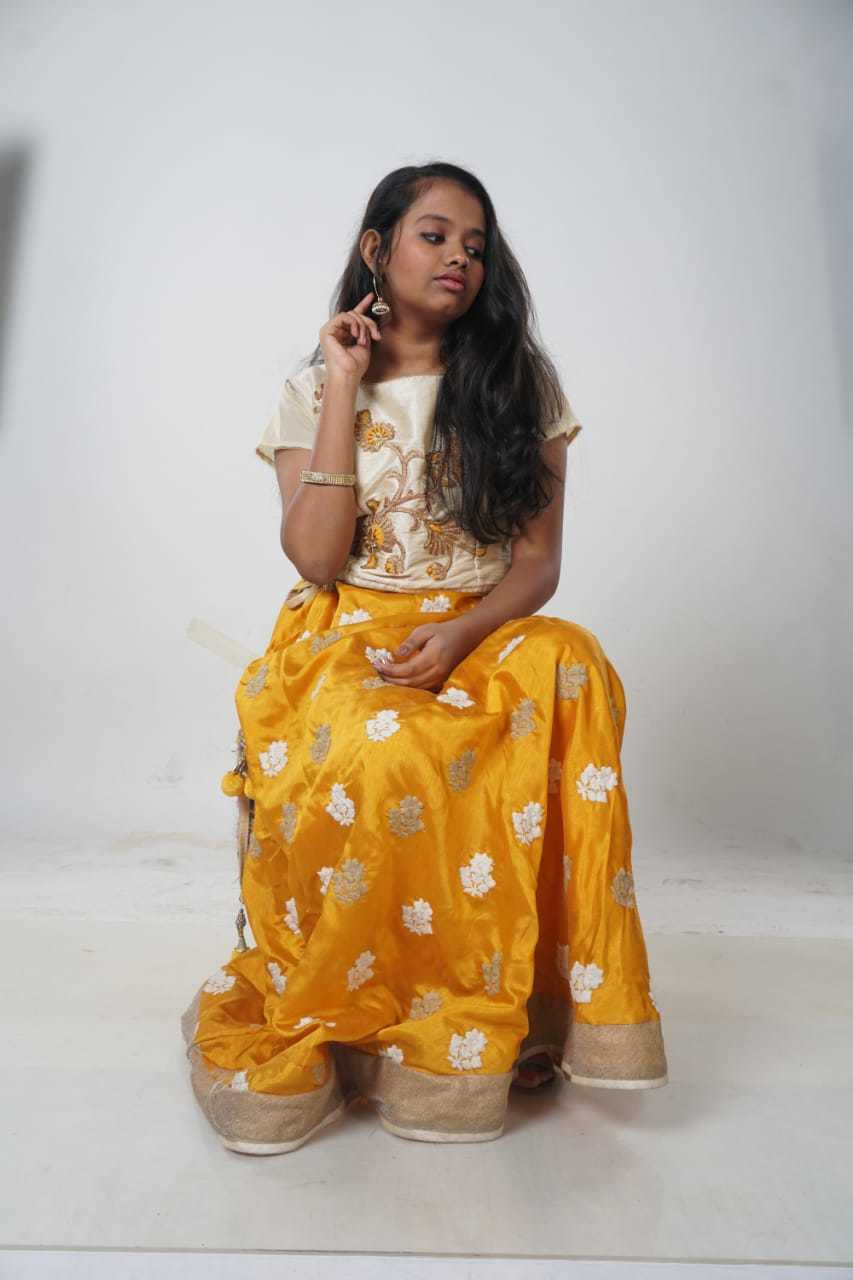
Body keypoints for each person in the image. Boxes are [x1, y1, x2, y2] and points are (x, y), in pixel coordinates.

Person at [180, 161, 668, 1155]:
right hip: (351, 630)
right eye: (435, 236)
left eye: (475, 247)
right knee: (380, 742)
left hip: (484, 624)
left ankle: (522, 1008)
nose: (459, 259)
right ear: (378, 248)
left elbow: (537, 565)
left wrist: (461, 633)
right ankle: (380, 1020)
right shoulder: (313, 388)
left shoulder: (519, 385)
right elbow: (316, 560)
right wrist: (343, 384)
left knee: (572, 662)